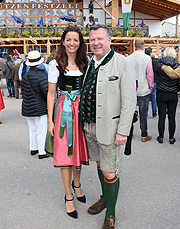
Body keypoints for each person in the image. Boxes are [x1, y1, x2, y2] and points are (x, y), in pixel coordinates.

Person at [79, 24, 136, 229]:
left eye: (100, 39)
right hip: (89, 128)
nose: (95, 43)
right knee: (99, 165)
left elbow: (129, 101)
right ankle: (104, 199)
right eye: (92, 39)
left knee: (110, 171)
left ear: (109, 40)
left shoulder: (122, 63)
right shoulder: (90, 63)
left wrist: (123, 131)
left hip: (111, 130)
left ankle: (110, 214)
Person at [47, 26, 89, 219]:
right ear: (63, 42)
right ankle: (68, 196)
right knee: (66, 153)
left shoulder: (85, 63)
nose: (72, 43)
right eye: (69, 39)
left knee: (78, 151)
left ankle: (77, 184)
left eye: (76, 40)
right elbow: (50, 93)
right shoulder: (55, 65)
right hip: (64, 111)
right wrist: (50, 121)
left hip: (80, 112)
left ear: (80, 43)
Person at [21, 51, 48, 159]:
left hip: (27, 106)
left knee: (32, 129)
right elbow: (46, 93)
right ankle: (41, 152)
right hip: (39, 107)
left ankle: (33, 148)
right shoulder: (41, 76)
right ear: (39, 63)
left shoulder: (25, 76)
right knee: (41, 130)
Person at [128, 40, 154, 142]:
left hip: (130, 90)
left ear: (135, 46)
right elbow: (149, 75)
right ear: (143, 47)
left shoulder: (128, 58)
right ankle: (144, 135)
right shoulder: (147, 58)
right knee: (143, 114)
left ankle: (129, 134)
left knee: (129, 113)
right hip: (143, 90)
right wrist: (150, 87)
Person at [155, 47, 179, 144]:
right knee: (172, 117)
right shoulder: (177, 66)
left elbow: (156, 78)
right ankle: (171, 138)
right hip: (173, 94)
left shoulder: (159, 65)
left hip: (161, 93)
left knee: (161, 117)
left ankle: (160, 137)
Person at [145, 47, 159, 118]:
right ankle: (154, 113)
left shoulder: (144, 60)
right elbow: (158, 71)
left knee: (146, 99)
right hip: (154, 81)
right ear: (151, 53)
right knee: (154, 98)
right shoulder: (155, 61)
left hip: (145, 81)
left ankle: (146, 114)